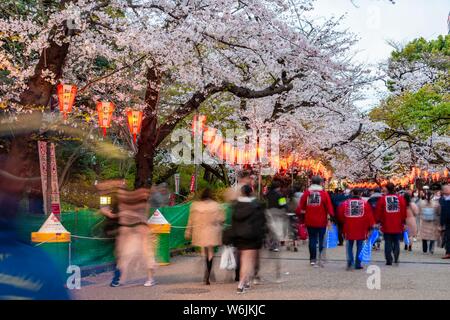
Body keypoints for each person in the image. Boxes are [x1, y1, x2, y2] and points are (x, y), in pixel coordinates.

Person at [116, 187, 157, 287]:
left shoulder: (143, 205)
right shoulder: (125, 205)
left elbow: (143, 218)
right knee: (126, 255)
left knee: (147, 256)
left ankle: (150, 278)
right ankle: (122, 278)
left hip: (143, 233)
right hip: (133, 233)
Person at [230, 185, 267, 294]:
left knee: (243, 260)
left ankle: (245, 282)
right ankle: (241, 284)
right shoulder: (256, 205)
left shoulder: (236, 205)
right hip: (252, 236)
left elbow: (233, 222)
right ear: (251, 192)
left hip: (239, 236)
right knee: (248, 260)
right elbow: (262, 222)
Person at [185, 188, 225, 285]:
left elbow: (191, 220)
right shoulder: (216, 206)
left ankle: (206, 272)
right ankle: (209, 273)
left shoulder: (195, 206)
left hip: (200, 231)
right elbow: (221, 219)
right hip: (212, 231)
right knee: (211, 252)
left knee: (204, 252)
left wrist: (188, 231)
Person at [296, 176, 334, 266]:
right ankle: (320, 257)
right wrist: (331, 217)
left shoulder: (306, 193)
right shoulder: (324, 194)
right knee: (321, 239)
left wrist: (301, 215)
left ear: (311, 183)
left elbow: (300, 207)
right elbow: (329, 207)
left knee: (312, 240)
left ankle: (312, 259)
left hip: (309, 220)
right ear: (320, 183)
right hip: (321, 221)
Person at [95, 179, 124, 287]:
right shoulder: (106, 196)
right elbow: (104, 209)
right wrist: (111, 215)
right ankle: (117, 277)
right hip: (113, 227)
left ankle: (117, 277)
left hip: (123, 227)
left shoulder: (123, 196)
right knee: (118, 254)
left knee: (119, 254)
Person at [337, 189, 376, 270]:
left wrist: (344, 222)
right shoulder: (365, 204)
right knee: (360, 245)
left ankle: (350, 262)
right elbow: (369, 217)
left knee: (349, 246)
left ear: (352, 194)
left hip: (348, 227)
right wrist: (370, 227)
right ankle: (358, 264)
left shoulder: (345, 204)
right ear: (360, 194)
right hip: (361, 228)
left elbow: (340, 215)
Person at [375, 183, 407, 266]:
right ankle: (396, 257)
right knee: (396, 241)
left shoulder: (383, 199)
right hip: (398, 223)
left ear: (387, 189)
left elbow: (378, 211)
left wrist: (378, 221)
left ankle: (389, 259)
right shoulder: (400, 198)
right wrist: (403, 222)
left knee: (388, 242)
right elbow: (404, 211)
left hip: (386, 223)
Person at [265, 180, 288, 252]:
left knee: (270, 230)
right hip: (277, 213)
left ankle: (270, 245)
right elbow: (283, 205)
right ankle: (275, 246)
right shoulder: (280, 195)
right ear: (278, 187)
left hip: (269, 212)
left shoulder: (267, 194)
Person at [440, 184, 450, 259]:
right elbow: (442, 212)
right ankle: (448, 252)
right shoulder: (442, 199)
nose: (445, 190)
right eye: (444, 189)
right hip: (447, 221)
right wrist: (441, 223)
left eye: (446, 189)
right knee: (447, 237)